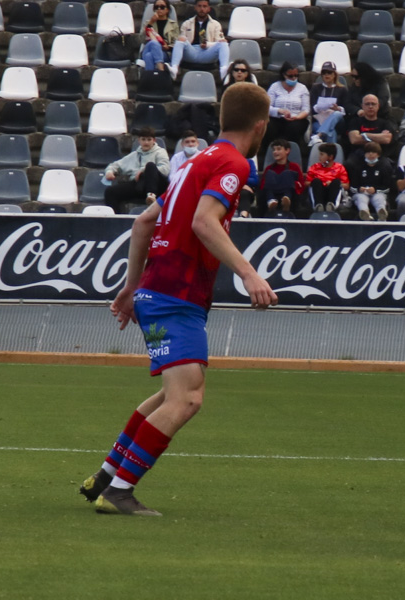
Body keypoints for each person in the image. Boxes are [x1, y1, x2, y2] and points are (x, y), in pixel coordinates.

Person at [81, 82, 277, 517]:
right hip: (175, 294)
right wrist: (249, 274)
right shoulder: (232, 162)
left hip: (158, 290)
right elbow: (204, 223)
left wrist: (132, 287)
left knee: (173, 394)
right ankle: (118, 493)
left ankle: (108, 475)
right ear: (260, 126)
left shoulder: (196, 161)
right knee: (187, 399)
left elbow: (143, 224)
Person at [103, 127, 171, 213]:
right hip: (139, 185)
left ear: (154, 140)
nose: (146, 142)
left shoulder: (160, 152)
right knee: (110, 192)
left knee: (150, 166)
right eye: (143, 139)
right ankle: (116, 220)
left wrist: (143, 170)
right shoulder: (134, 155)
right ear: (139, 140)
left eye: (149, 140)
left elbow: (165, 170)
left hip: (157, 186)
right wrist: (110, 171)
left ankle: (151, 196)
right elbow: (115, 165)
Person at [169, 0, 231, 79]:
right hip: (191, 52)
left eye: (204, 6)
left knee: (223, 43)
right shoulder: (186, 23)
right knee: (180, 40)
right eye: (199, 6)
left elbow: (219, 41)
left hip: (208, 53)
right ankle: (174, 68)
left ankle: (223, 70)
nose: (202, 9)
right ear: (195, 8)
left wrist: (207, 45)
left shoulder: (216, 24)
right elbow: (182, 42)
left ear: (209, 9)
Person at [264, 62, 310, 155]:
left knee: (294, 128)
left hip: (296, 118)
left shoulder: (302, 88)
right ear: (283, 75)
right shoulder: (275, 86)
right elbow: (267, 107)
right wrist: (279, 111)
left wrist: (297, 117)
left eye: (295, 76)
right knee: (269, 127)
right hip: (277, 117)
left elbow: (306, 109)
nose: (293, 78)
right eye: (290, 76)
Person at [259, 138, 305, 218]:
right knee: (270, 175)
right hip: (273, 194)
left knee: (287, 174)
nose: (275, 152)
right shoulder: (269, 168)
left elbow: (301, 185)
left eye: (279, 149)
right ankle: (271, 202)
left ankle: (286, 201)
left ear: (287, 151)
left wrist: (291, 184)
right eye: (274, 150)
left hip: (290, 195)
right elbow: (263, 186)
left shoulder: (294, 167)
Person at [348, 142, 394, 221]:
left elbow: (386, 188)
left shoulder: (383, 168)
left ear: (378, 154)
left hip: (377, 193)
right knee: (361, 198)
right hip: (362, 193)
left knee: (379, 199)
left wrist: (375, 189)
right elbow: (352, 187)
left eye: (373, 152)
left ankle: (381, 214)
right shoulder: (358, 168)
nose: (370, 154)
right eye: (368, 152)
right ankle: (365, 214)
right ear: (365, 154)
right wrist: (359, 189)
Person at [345, 95, 395, 166]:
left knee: (387, 165)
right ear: (362, 106)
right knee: (349, 164)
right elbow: (354, 140)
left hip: (379, 155)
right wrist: (379, 137)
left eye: (373, 104)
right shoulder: (355, 121)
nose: (370, 106)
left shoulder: (385, 123)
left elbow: (386, 139)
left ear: (378, 106)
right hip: (358, 155)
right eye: (367, 104)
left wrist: (364, 135)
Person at [309, 62, 349, 145]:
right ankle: (332, 156)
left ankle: (318, 135)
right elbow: (312, 107)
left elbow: (346, 108)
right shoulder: (316, 88)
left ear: (334, 74)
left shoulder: (342, 89)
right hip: (320, 119)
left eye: (329, 72)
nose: (326, 75)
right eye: (324, 73)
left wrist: (338, 108)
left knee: (337, 113)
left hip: (337, 121)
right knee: (331, 132)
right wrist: (319, 107)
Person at [305, 143, 349, 212]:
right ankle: (318, 205)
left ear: (330, 157)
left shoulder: (340, 168)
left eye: (322, 154)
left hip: (332, 192)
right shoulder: (314, 167)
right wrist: (321, 183)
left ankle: (331, 205)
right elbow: (306, 183)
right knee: (316, 181)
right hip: (319, 192)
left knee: (337, 181)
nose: (319, 157)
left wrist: (331, 183)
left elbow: (346, 185)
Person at [140, 1, 178, 73]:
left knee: (149, 56)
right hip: (148, 48)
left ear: (167, 10)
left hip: (164, 52)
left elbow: (176, 42)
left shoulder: (173, 25)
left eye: (162, 7)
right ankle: (161, 71)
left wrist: (168, 47)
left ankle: (151, 79)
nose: (159, 9)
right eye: (156, 7)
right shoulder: (148, 22)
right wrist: (150, 23)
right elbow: (141, 39)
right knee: (154, 43)